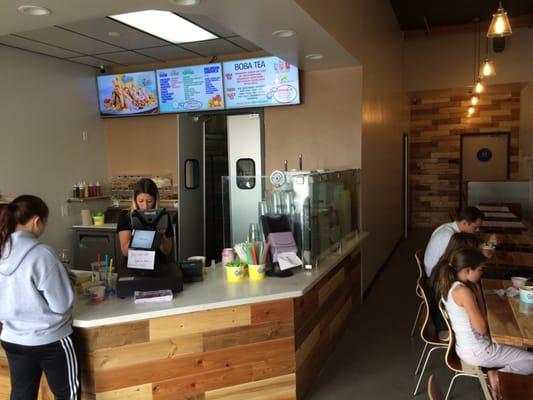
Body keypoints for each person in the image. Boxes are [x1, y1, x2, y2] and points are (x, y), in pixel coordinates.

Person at [0, 195, 79, 399]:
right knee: (67, 395)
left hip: (12, 338)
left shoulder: (2, 250)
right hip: (50, 339)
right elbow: (61, 304)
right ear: (36, 221)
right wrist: (69, 281)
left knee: (21, 394)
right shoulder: (42, 254)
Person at [433, 246, 533, 396]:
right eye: (480, 270)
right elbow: (482, 328)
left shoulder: (450, 284)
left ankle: (505, 376)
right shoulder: (464, 292)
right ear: (467, 270)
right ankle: (498, 377)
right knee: (531, 361)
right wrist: (479, 294)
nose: (482, 274)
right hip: (478, 350)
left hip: (467, 346)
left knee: (523, 348)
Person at [428, 232, 481, 338]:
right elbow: (480, 328)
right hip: (448, 329)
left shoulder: (445, 266)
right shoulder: (452, 278)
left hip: (442, 322)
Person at [117, 178, 174, 267]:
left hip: (159, 266)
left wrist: (161, 235)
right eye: (141, 201)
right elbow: (125, 252)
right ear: (135, 200)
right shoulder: (126, 216)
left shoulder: (162, 216)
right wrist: (138, 233)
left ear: (155, 200)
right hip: (134, 267)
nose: (145, 206)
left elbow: (167, 251)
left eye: (149, 201)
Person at [424, 206, 483, 277]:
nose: (478, 230)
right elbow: (458, 262)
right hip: (437, 276)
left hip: (438, 269)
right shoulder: (450, 235)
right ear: (464, 223)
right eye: (475, 227)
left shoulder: (448, 226)